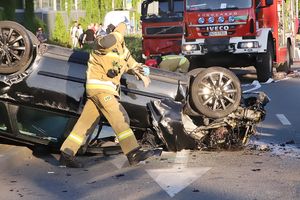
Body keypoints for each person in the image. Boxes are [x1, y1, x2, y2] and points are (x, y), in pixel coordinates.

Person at [59, 22, 162, 168]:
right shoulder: (102, 42)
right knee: (119, 117)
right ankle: (133, 152)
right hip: (101, 89)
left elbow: (131, 64)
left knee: (84, 125)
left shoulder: (122, 50)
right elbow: (109, 41)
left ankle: (66, 154)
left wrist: (142, 73)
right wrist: (118, 32)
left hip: (102, 91)